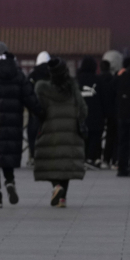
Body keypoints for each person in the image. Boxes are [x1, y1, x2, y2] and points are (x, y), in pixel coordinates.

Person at [0, 41, 44, 208]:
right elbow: (30, 98)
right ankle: (10, 181)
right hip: (13, 123)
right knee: (7, 156)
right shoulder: (18, 73)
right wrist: (41, 114)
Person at [33, 57, 88, 207]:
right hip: (70, 131)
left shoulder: (42, 89)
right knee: (65, 164)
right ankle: (62, 199)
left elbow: (39, 109)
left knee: (52, 162)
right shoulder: (72, 88)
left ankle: (56, 187)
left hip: (50, 129)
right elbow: (83, 109)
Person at [75, 57, 106, 168]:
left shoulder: (76, 80)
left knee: (81, 136)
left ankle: (81, 158)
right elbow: (103, 99)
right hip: (96, 114)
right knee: (95, 137)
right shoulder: (98, 80)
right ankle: (91, 158)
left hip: (79, 114)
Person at [25, 51, 51, 162]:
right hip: (51, 109)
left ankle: (34, 155)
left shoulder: (32, 75)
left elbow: (27, 92)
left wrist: (31, 106)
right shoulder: (53, 74)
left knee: (33, 133)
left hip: (35, 110)